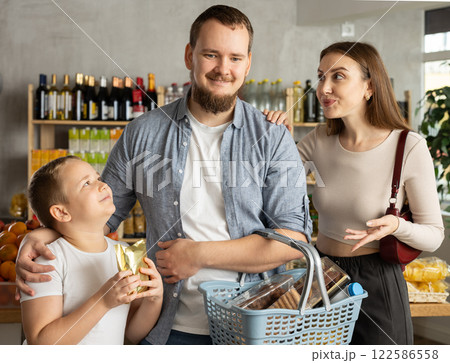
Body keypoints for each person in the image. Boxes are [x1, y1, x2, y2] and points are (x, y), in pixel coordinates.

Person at [16, 5, 311, 345]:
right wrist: (39, 236)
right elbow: (96, 215)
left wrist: (198, 254)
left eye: (235, 58)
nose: (223, 69)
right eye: (211, 55)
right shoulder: (142, 134)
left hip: (252, 328)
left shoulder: (273, 138)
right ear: (190, 55)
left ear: (248, 63)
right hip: (165, 329)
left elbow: (293, 241)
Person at [270, 41, 444, 344]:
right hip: (322, 276)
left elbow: (434, 234)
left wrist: (397, 226)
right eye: (321, 76)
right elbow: (275, 183)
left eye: (338, 76)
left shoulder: (408, 146)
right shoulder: (319, 138)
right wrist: (280, 140)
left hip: (377, 283)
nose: (324, 87)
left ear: (370, 87)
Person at [21, 156, 163, 344]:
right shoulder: (47, 261)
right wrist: (103, 301)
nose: (103, 185)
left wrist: (154, 299)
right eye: (86, 183)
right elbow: (41, 343)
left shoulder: (124, 252)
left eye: (98, 178)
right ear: (62, 212)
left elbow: (130, 334)